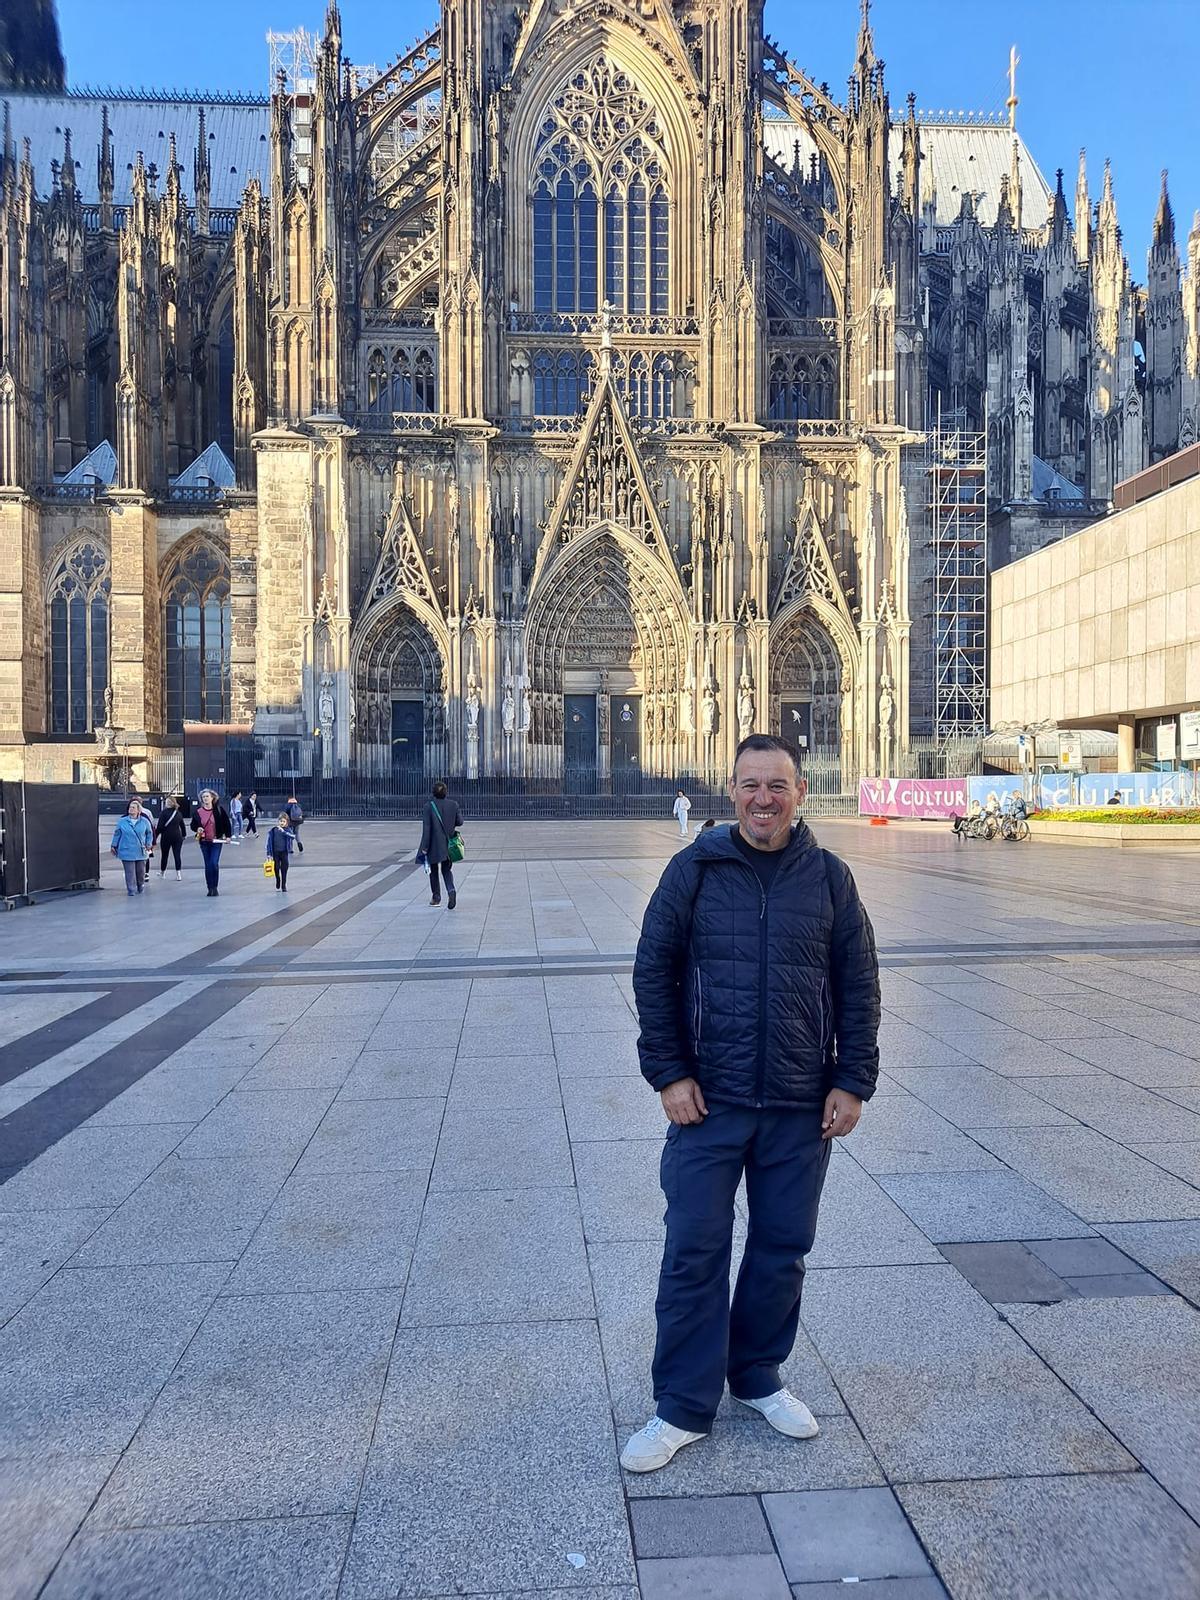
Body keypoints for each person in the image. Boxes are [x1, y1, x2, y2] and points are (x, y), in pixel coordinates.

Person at [621, 733, 880, 1474]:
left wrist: (852, 1080)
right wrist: (669, 1072)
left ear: (800, 793)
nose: (763, 798)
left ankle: (757, 1375)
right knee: (694, 1249)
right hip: (710, 1102)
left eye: (777, 784)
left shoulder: (829, 878)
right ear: (730, 792)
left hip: (800, 1105)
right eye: (749, 784)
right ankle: (681, 1405)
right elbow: (653, 971)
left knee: (781, 1249)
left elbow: (859, 985)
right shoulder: (694, 870)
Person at [417, 780, 463, 908]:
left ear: (433, 793)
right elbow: (460, 822)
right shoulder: (454, 805)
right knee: (446, 869)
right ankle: (451, 890)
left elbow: (427, 830)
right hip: (448, 844)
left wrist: (424, 848)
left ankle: (436, 898)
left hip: (433, 845)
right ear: (446, 792)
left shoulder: (428, 806)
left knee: (433, 871)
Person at [192, 788, 232, 896]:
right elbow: (193, 825)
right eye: (203, 797)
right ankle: (210, 887)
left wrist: (228, 836)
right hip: (204, 842)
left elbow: (226, 823)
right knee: (208, 864)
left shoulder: (219, 810)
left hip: (216, 841)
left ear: (212, 798)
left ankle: (215, 886)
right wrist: (198, 828)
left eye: (207, 796)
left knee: (214, 863)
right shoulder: (198, 812)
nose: (205, 798)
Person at [110, 798, 154, 896]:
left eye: (133, 808)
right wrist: (114, 845)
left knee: (140, 872)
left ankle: (140, 885)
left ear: (139, 810)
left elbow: (149, 833)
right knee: (130, 872)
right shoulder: (122, 821)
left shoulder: (144, 821)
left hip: (140, 850)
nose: (131, 809)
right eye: (130, 807)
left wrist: (149, 844)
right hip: (126, 850)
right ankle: (131, 889)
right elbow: (117, 834)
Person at [154, 794, 187, 879]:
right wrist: (184, 835)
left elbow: (160, 827)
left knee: (165, 855)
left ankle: (163, 873)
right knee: (177, 855)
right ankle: (178, 874)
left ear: (167, 803)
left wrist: (155, 836)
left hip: (166, 836)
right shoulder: (178, 813)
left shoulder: (163, 813)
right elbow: (182, 825)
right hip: (177, 836)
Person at [265, 811, 296, 892]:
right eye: (280, 821)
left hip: (284, 852)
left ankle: (283, 885)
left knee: (284, 868)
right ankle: (278, 879)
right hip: (275, 852)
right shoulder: (274, 830)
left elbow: (293, 837)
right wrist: (268, 853)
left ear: (287, 822)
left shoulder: (288, 830)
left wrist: (284, 832)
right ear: (278, 821)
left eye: (283, 821)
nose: (282, 823)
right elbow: (269, 842)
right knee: (276, 867)